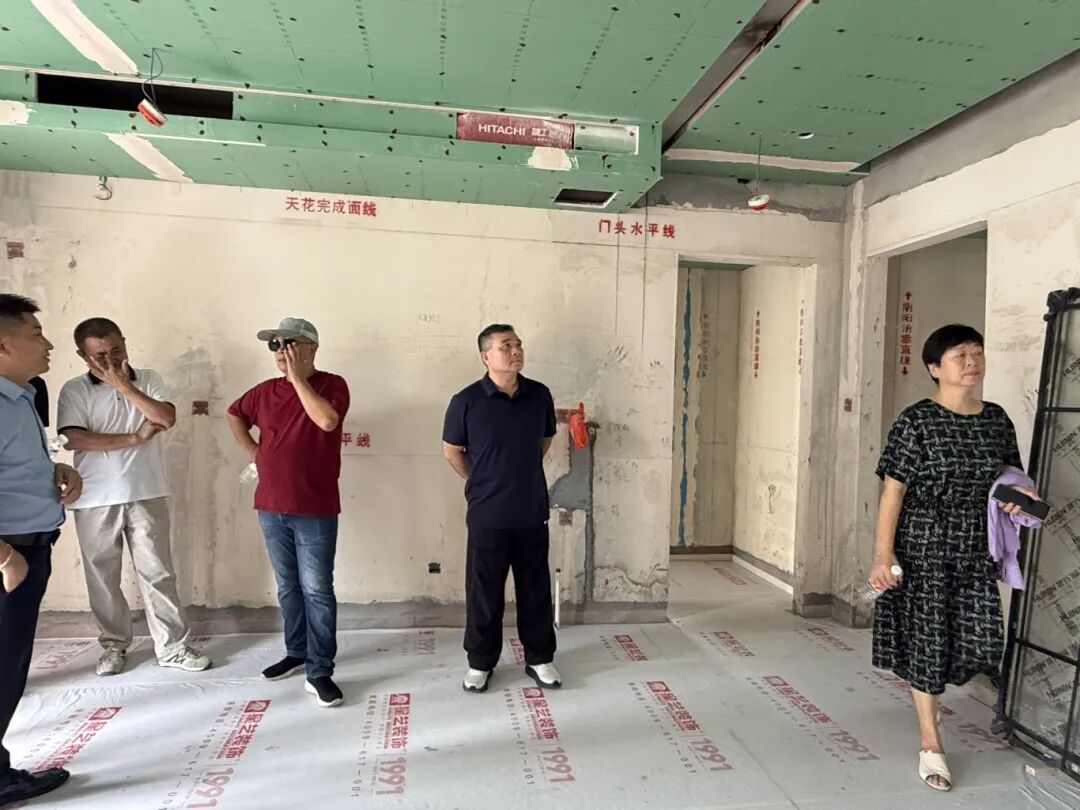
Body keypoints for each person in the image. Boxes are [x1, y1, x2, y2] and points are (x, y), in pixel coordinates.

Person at [869, 324, 1039, 793]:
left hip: (976, 548)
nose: (971, 361)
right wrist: (883, 553)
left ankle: (940, 706)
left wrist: (1017, 500)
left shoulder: (996, 419)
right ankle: (931, 741)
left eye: (977, 352)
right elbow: (893, 490)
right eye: (960, 354)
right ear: (934, 367)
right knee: (929, 642)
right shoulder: (916, 421)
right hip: (924, 546)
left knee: (980, 640)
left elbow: (1011, 478)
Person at [56, 318, 211, 676]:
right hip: (94, 496)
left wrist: (123, 386)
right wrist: (135, 438)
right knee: (102, 577)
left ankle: (172, 647)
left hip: (147, 490)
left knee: (158, 573)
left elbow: (165, 418)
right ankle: (114, 645)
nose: (110, 360)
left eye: (116, 351)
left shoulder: (149, 379)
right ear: (82, 356)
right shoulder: (74, 390)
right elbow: (75, 439)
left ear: (125, 343)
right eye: (100, 356)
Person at [226, 317, 349, 708]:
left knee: (317, 590)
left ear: (311, 347)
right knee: (288, 586)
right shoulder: (264, 391)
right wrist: (253, 451)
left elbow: (326, 420)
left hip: (314, 508)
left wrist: (297, 378)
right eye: (275, 345)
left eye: (289, 344)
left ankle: (320, 669)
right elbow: (234, 413)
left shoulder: (332, 385)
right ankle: (297, 651)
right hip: (270, 505)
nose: (281, 352)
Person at [442, 324, 561, 694]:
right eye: (505, 345)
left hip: (531, 510)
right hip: (487, 513)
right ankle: (480, 662)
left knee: (535, 588)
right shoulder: (466, 401)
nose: (515, 350)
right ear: (485, 357)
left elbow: (545, 440)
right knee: (484, 592)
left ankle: (539, 658)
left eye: (518, 344)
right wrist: (481, 480)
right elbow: (452, 450)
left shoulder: (539, 395)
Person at [0, 294, 82, 805]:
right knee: (3, 668)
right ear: (2, 344)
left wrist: (56, 470)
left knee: (9, 666)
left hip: (30, 547)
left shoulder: (24, 394)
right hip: (10, 558)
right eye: (36, 334)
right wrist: (6, 559)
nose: (48, 344)